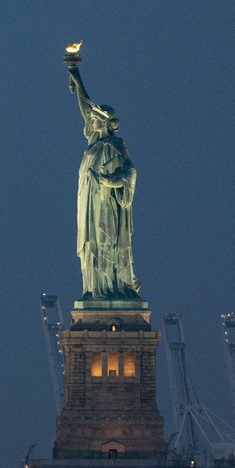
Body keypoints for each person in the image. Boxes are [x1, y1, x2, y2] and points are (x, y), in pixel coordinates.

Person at [67, 62, 141, 299]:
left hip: (107, 204)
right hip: (89, 201)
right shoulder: (94, 143)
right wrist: (76, 76)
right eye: (93, 117)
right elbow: (85, 107)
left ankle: (113, 287)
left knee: (105, 242)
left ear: (107, 123)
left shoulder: (116, 145)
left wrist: (111, 181)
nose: (93, 119)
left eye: (98, 118)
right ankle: (93, 288)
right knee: (92, 242)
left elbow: (131, 172)